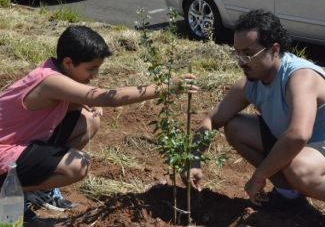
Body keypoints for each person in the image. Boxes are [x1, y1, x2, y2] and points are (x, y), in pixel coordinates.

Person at [0, 25, 198, 221]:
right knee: (79, 165)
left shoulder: (55, 72)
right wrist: (166, 87)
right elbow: (108, 98)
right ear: (68, 63)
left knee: (90, 119)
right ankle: (7, 189)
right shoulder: (49, 81)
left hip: (22, 142)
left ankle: (35, 187)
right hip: (5, 149)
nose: (95, 75)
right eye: (91, 69)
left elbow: (78, 102)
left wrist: (85, 102)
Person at [188, 9, 325, 227]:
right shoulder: (251, 82)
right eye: (237, 53)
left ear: (274, 49)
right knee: (236, 127)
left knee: (297, 166)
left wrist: (259, 177)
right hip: (308, 153)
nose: (241, 61)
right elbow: (212, 120)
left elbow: (297, 136)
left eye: (248, 53)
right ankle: (289, 194)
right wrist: (193, 159)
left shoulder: (300, 77)